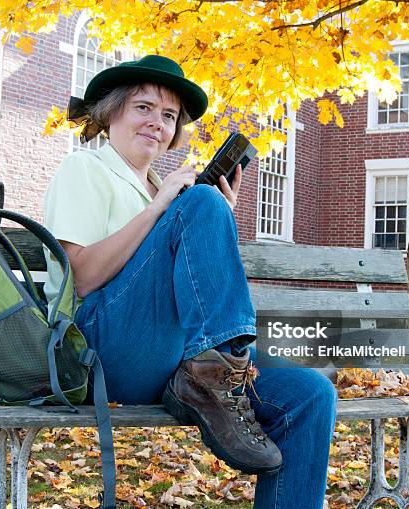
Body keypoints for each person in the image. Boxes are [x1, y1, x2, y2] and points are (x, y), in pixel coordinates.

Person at [43, 54, 336, 509]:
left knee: (309, 395)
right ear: (111, 111)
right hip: (103, 354)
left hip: (174, 358)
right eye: (143, 107)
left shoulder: (162, 186)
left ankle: (219, 372)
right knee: (200, 201)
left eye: (168, 116)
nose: (156, 123)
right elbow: (82, 277)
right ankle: (217, 373)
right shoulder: (86, 169)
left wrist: (211, 216)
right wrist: (166, 208)